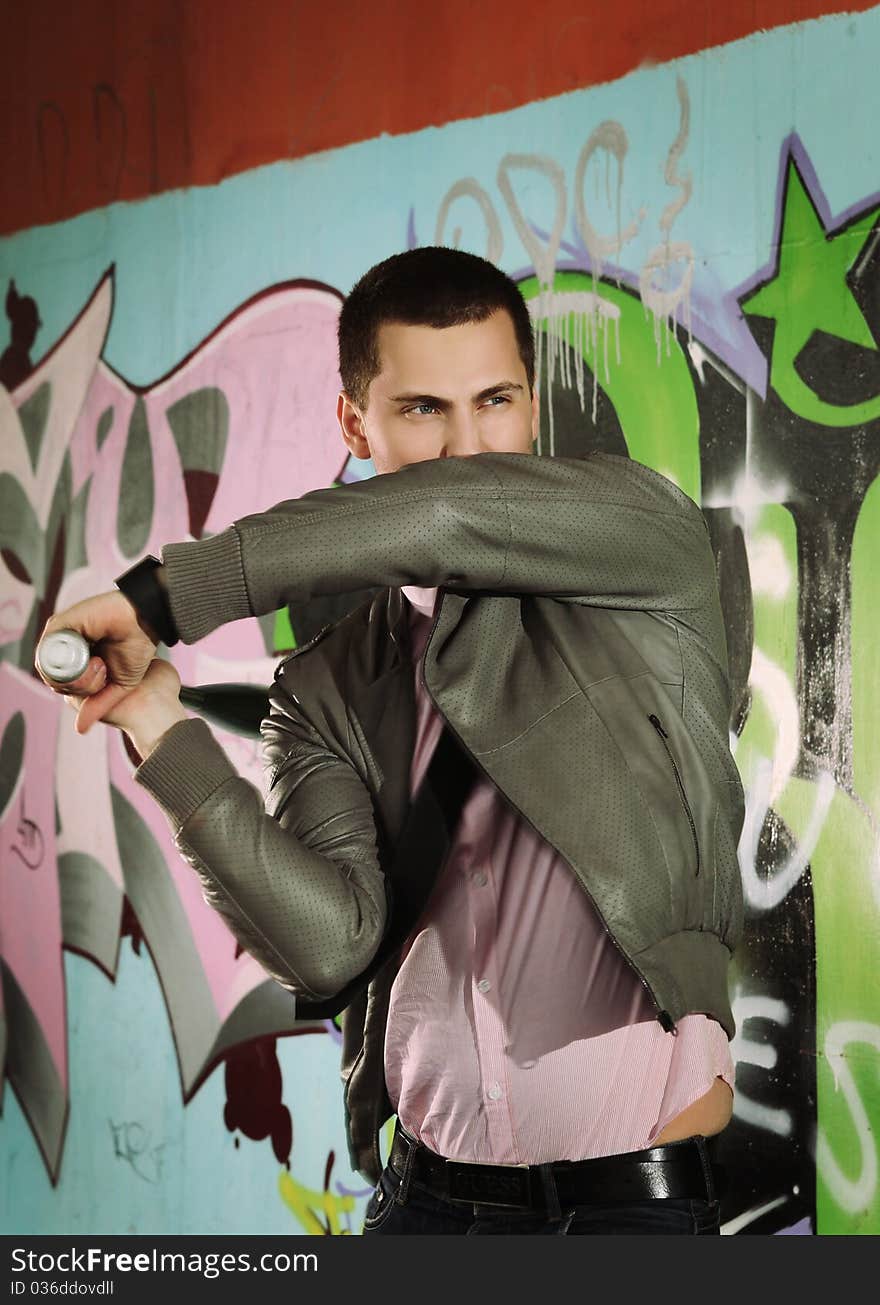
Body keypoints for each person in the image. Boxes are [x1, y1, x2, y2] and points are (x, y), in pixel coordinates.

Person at [38, 247, 744, 1236]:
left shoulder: (641, 541)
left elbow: (450, 512)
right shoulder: (324, 686)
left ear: (533, 404)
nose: (470, 444)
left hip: (633, 1206)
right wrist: (159, 728)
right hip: (426, 1208)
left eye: (495, 400)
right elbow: (328, 951)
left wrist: (166, 596)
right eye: (423, 411)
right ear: (353, 424)